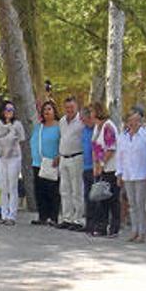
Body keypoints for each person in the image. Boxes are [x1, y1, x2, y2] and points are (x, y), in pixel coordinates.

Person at [116, 107, 146, 242]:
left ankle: (142, 232)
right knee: (132, 204)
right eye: (131, 120)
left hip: (142, 174)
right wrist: (119, 173)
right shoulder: (123, 137)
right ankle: (134, 230)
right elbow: (120, 156)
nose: (133, 123)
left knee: (141, 203)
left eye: (137, 120)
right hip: (128, 174)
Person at [90, 102, 120, 237]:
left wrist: (101, 164)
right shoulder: (97, 127)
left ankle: (114, 227)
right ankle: (101, 226)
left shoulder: (108, 126)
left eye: (92, 112)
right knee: (101, 198)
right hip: (100, 167)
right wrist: (95, 164)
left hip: (111, 168)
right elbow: (95, 147)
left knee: (112, 198)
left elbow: (111, 148)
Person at [0, 101, 25, 225]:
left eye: (11, 109)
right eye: (7, 109)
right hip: (0, 157)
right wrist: (8, 133)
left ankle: (12, 215)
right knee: (3, 187)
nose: (9, 111)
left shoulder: (17, 124)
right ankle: (4, 214)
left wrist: (10, 131)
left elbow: (20, 139)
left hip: (14, 157)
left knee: (12, 186)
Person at [30, 101, 61, 225]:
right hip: (38, 163)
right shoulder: (39, 127)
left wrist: (58, 156)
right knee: (39, 190)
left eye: (49, 109)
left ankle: (53, 217)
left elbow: (62, 143)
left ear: (54, 111)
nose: (47, 112)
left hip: (52, 163)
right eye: (45, 110)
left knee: (52, 190)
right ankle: (42, 216)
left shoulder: (59, 127)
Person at [57, 96, 86, 231]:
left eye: (72, 107)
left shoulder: (81, 121)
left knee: (77, 189)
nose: (69, 110)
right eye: (67, 107)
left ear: (77, 108)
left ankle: (78, 219)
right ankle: (66, 217)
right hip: (63, 157)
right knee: (64, 190)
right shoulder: (62, 121)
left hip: (76, 157)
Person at [80, 106, 96, 232]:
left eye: (83, 118)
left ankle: (97, 223)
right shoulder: (84, 130)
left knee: (95, 196)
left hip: (95, 167)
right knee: (87, 196)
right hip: (85, 166)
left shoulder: (97, 129)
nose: (82, 120)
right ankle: (89, 222)